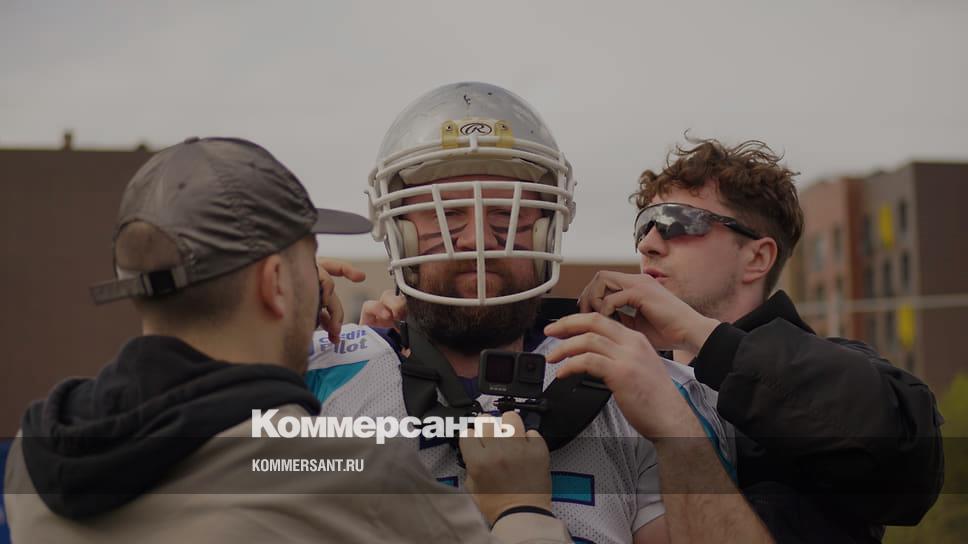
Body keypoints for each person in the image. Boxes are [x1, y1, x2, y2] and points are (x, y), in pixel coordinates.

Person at [3, 137, 571, 543]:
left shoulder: (39, 449)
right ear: (274, 282)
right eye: (309, 259)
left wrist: (282, 319)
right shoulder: (352, 473)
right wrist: (520, 507)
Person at [308, 81, 738, 544]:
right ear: (400, 232)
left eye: (504, 215)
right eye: (447, 214)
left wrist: (676, 433)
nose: (477, 240)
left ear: (545, 230)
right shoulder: (320, 374)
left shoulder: (644, 388)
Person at [574, 137, 944, 542]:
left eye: (675, 221)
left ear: (757, 258)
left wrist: (703, 337)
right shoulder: (620, 374)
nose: (648, 244)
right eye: (644, 225)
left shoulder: (835, 369)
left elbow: (907, 457)